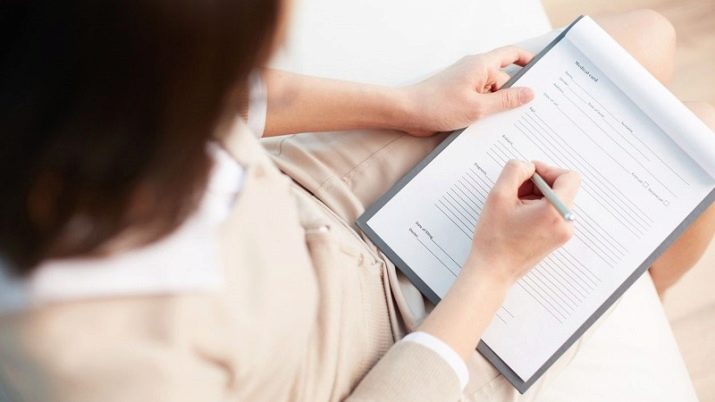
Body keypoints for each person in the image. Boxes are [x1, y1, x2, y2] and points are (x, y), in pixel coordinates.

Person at [0, 1, 713, 401]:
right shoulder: (102, 365)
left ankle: (614, 284)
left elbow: (235, 96)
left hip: (311, 201)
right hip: (371, 362)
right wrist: (493, 271)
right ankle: (621, 295)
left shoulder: (64, 74)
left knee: (644, 42)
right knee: (696, 168)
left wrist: (411, 105)